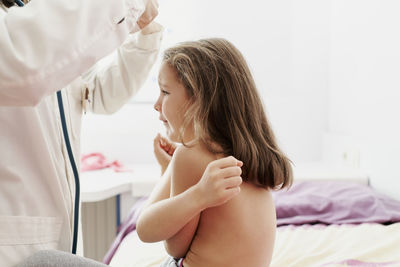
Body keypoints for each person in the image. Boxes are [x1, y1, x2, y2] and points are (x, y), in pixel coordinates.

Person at [0, 0, 162, 265]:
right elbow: (22, 63)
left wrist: (144, 34)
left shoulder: (42, 21)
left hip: (54, 239)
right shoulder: (24, 29)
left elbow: (102, 93)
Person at [136, 38, 293, 267]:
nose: (157, 103)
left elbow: (160, 237)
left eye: (165, 92)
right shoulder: (253, 159)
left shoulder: (191, 156)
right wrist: (169, 169)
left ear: (199, 100)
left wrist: (197, 195)